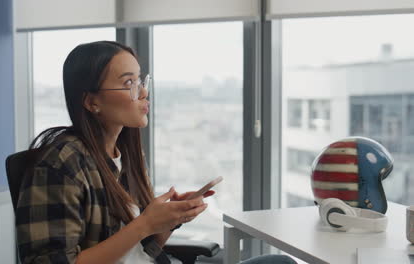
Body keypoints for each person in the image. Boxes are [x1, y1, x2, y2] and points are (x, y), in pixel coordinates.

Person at [15, 40, 296, 264]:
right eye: (128, 84)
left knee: (278, 262)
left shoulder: (123, 153)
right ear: (91, 102)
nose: (143, 93)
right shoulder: (59, 164)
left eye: (140, 80)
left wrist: (168, 221)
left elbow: (140, 250)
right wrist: (144, 223)